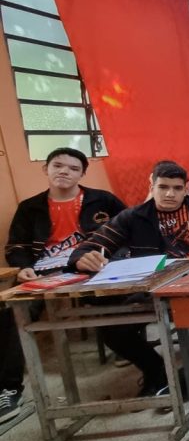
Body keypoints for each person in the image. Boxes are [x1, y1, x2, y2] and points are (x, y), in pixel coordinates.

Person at [70, 161, 189, 397]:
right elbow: (91, 246)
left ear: (185, 188)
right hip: (153, 288)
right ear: (152, 185)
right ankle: (160, 373)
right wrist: (82, 258)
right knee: (113, 331)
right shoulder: (133, 217)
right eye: (163, 187)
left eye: (177, 188)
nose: (169, 194)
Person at [2, 148, 125, 422]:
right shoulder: (29, 208)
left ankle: (126, 346)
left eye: (72, 168)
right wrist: (23, 267)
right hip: (46, 273)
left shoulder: (102, 200)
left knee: (124, 296)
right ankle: (9, 388)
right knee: (13, 313)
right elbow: (16, 246)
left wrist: (111, 258)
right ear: (45, 169)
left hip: (95, 268)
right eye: (57, 165)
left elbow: (129, 229)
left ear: (82, 173)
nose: (64, 172)